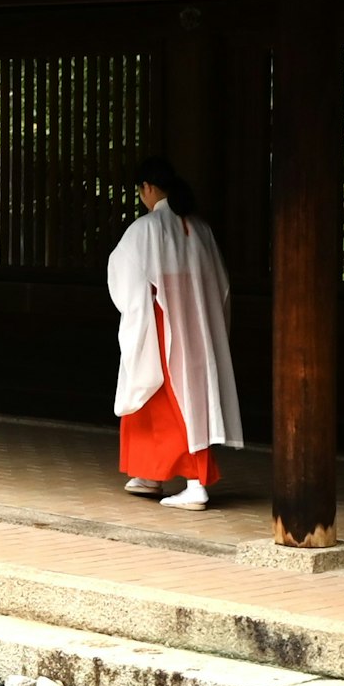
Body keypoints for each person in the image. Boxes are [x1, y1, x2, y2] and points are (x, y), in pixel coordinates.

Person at [107, 157, 240, 509]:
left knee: (172, 404)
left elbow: (126, 280)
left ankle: (196, 484)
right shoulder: (200, 229)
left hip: (161, 326)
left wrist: (139, 316)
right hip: (197, 327)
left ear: (147, 188)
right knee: (177, 401)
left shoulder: (146, 229)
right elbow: (221, 285)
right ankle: (150, 473)